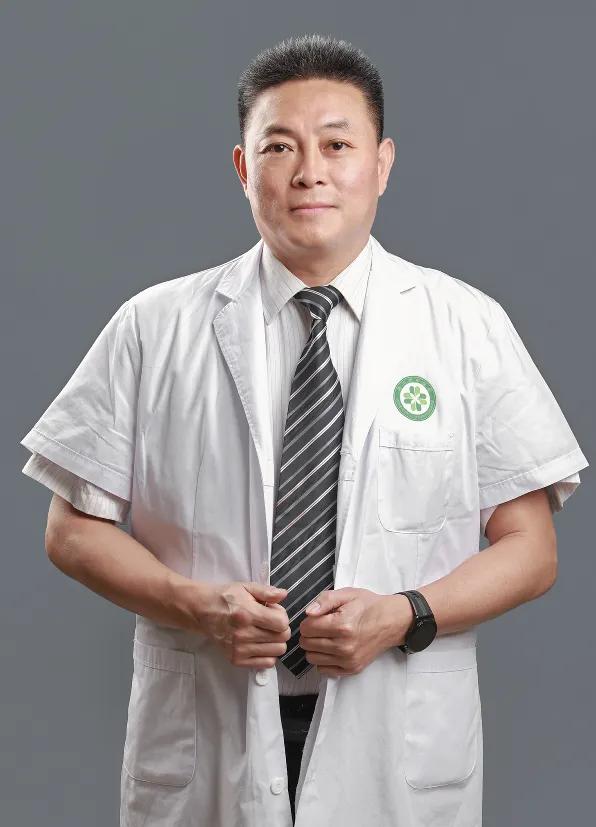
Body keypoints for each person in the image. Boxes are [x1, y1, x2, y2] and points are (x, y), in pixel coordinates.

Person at [19, 32, 589, 827]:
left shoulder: (466, 326)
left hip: (396, 732)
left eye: (337, 145)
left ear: (382, 164)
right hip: (208, 731)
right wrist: (197, 604)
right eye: (279, 146)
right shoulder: (154, 327)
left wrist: (405, 613)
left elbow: (531, 548)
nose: (310, 171)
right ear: (243, 168)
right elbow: (71, 531)